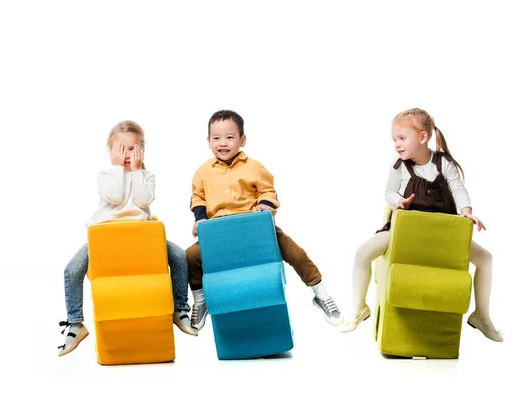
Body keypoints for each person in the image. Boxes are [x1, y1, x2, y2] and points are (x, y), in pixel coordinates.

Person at [340, 108, 503, 342]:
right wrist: (399, 201)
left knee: (485, 258)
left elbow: (458, 188)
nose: (396, 144)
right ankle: (358, 307)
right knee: (362, 253)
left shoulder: (443, 163)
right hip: (405, 233)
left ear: (422, 137)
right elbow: (388, 192)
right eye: (394, 139)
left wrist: (467, 212)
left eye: (402, 138)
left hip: (442, 235)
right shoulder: (399, 165)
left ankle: (482, 315)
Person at [186, 110, 343, 331]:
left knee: (295, 252)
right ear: (208, 141)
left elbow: (268, 191)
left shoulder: (254, 167)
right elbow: (197, 197)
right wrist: (200, 219)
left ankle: (321, 294)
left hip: (255, 230)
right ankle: (201, 300)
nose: (223, 143)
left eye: (230, 137)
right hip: (219, 234)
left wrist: (266, 206)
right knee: (190, 257)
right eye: (216, 138)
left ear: (242, 140)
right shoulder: (202, 172)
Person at [58, 120, 196, 357]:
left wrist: (136, 170)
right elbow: (114, 196)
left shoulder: (147, 176)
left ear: (142, 151)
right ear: (109, 151)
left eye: (131, 149)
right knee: (72, 270)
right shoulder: (105, 175)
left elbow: (143, 201)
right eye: (119, 149)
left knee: (179, 257)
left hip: (141, 237)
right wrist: (117, 169)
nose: (125, 155)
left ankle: (180, 309)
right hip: (105, 236)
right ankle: (75, 323)